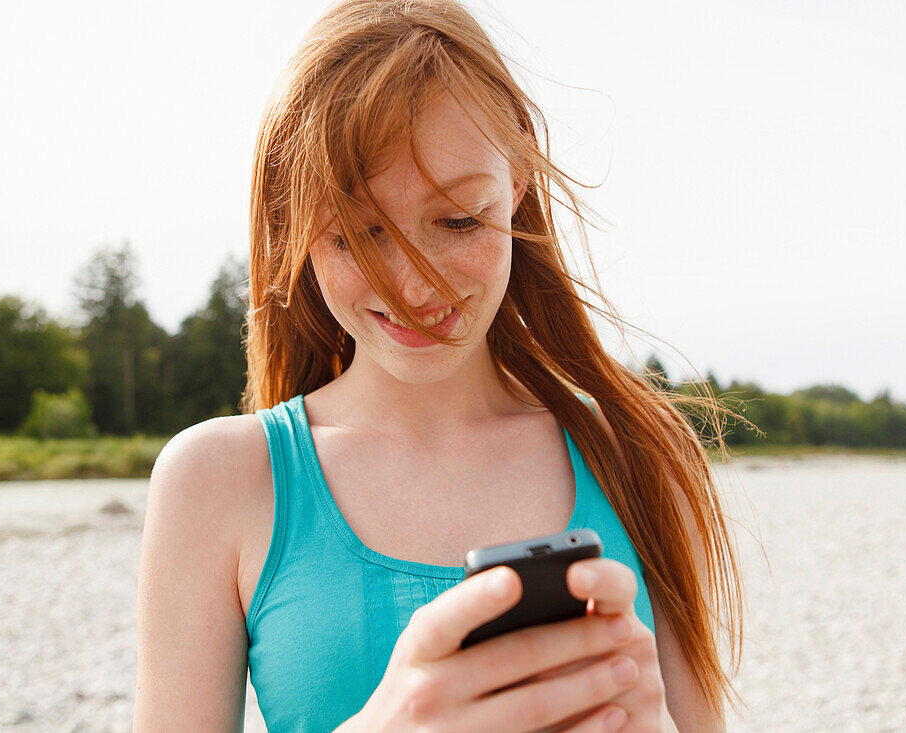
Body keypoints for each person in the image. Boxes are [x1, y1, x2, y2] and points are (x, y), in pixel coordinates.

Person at [134, 1, 744, 731]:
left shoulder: (638, 456)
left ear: (519, 179)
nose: (414, 287)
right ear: (292, 224)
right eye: (359, 236)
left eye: (459, 221)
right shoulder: (218, 482)